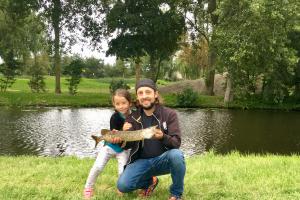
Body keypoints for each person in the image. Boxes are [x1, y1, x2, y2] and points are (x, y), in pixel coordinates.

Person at [111, 79, 186, 200]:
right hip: (141, 161)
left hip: (163, 161)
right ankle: (150, 182)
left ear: (155, 94)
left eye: (148, 92)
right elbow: (127, 146)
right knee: (123, 186)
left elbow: (176, 142)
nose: (144, 96)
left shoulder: (169, 114)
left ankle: (176, 194)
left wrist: (163, 136)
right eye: (140, 93)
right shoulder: (132, 117)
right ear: (137, 97)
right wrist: (120, 139)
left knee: (176, 155)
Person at [83, 89, 132, 199]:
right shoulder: (114, 117)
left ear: (130, 103)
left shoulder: (133, 116)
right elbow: (114, 134)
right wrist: (123, 129)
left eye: (124, 103)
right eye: (117, 104)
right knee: (98, 166)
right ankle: (88, 187)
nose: (121, 106)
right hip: (110, 146)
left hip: (123, 149)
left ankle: (121, 188)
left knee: (122, 172)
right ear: (114, 105)